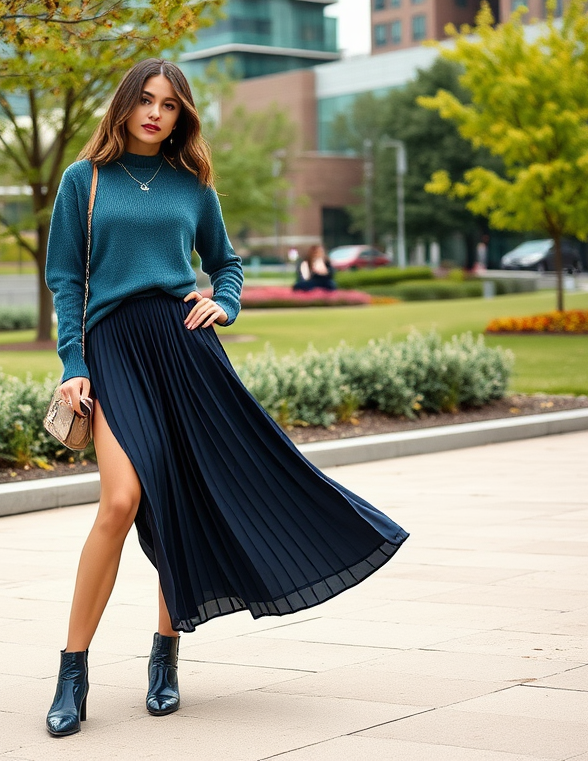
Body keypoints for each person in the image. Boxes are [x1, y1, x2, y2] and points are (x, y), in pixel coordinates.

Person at [44, 58, 408, 738]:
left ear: (183, 116)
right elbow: (66, 278)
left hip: (185, 349)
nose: (156, 113)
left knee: (177, 500)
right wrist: (73, 362)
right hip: (115, 350)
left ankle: (165, 655)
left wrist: (227, 303)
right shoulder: (82, 180)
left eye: (171, 105)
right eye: (146, 101)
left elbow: (227, 262)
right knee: (121, 501)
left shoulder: (192, 185)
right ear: (125, 105)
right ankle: (72, 669)